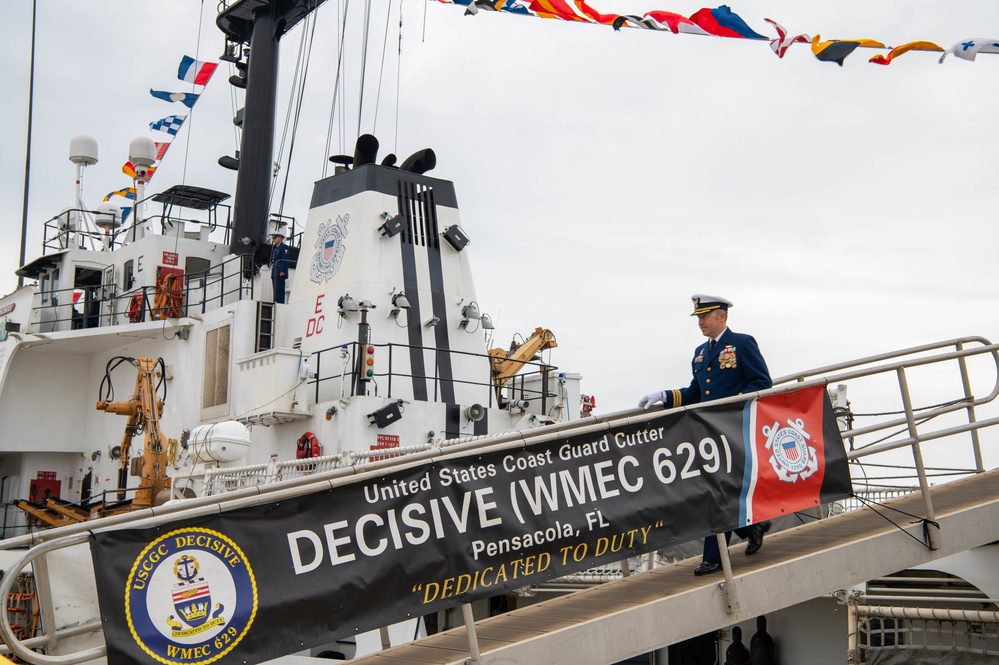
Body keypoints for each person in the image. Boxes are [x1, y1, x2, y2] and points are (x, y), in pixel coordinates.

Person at [638, 294, 773, 576]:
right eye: (698, 316)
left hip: (735, 428)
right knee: (717, 490)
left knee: (716, 491)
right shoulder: (701, 352)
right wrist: (665, 395)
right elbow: (696, 393)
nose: (700, 321)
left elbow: (762, 382)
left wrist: (732, 404)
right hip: (710, 433)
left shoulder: (742, 344)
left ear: (721, 317)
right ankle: (751, 528)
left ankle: (715, 557)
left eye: (705, 316)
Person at [270, 232, 290, 304]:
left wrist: (282, 271)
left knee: (279, 290)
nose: (274, 240)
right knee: (275, 290)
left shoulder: (284, 247)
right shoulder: (276, 249)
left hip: (280, 272)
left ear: (280, 238)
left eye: (275, 238)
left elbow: (285, 259)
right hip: (275, 272)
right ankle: (276, 302)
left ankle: (279, 303)